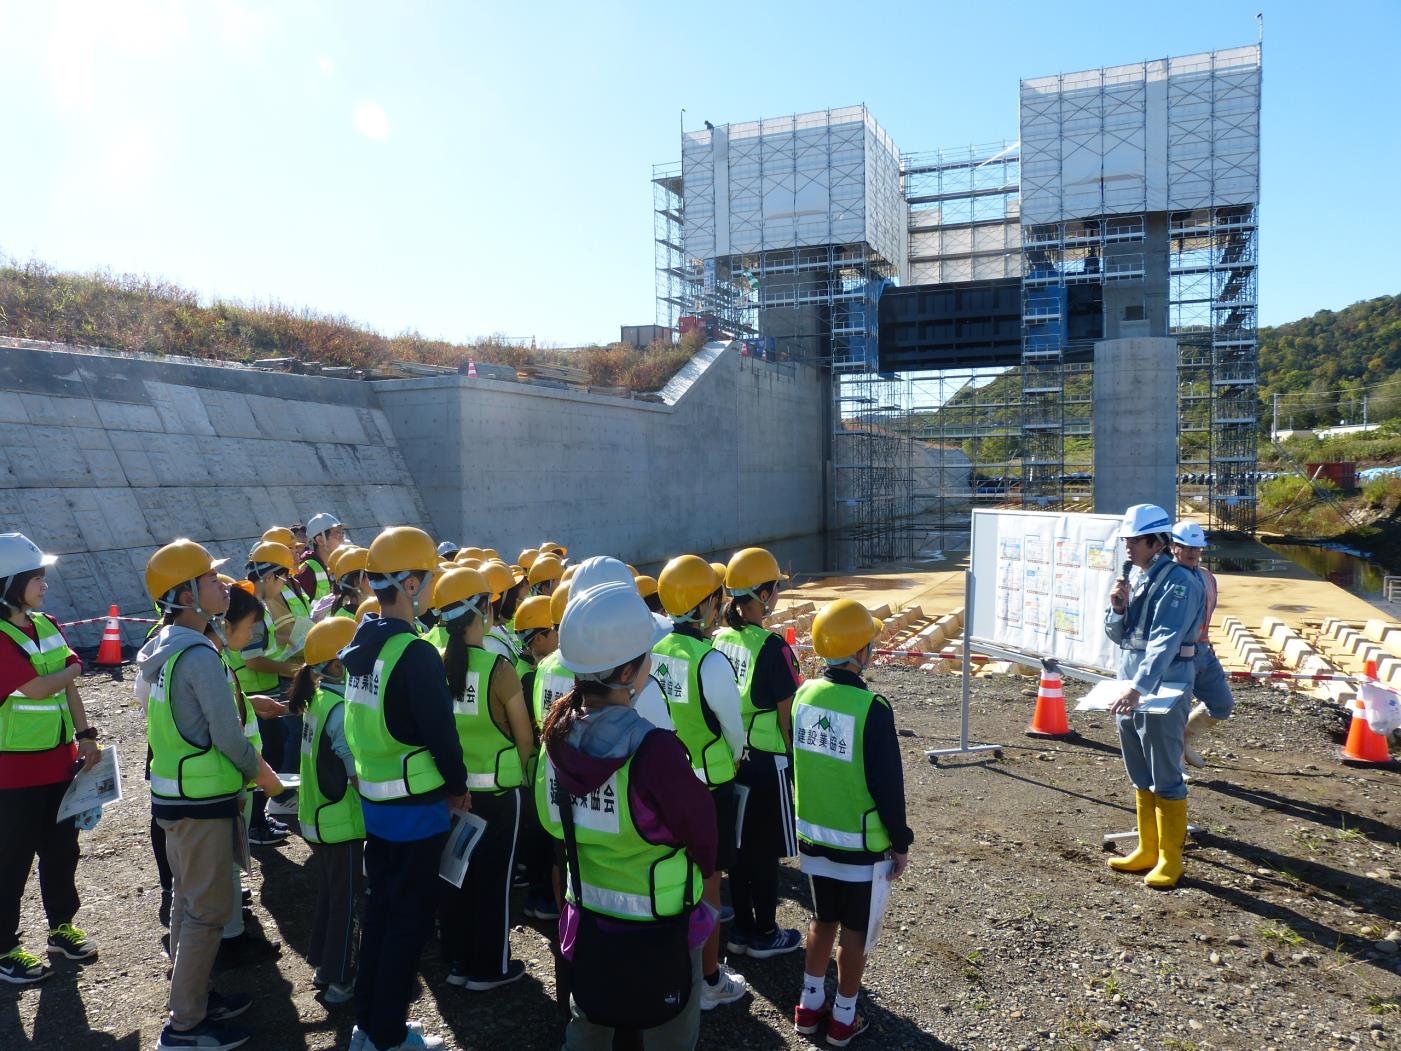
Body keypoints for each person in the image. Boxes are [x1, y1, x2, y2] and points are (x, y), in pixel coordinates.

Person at [537, 580, 716, 1051]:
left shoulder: (555, 739)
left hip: (590, 923)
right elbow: (703, 836)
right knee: (669, 1034)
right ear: (627, 671)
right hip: (662, 927)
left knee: (589, 1030)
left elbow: (551, 821)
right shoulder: (654, 751)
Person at [140, 539, 286, 1051]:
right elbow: (227, 737)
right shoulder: (198, 653)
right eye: (208, 579)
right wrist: (265, 776)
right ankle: (185, 1025)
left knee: (187, 905)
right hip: (201, 803)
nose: (221, 584)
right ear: (186, 595)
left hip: (177, 798)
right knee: (205, 913)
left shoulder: (166, 647)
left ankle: (196, 998)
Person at [343, 526, 469, 1051]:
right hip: (416, 809)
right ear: (411, 584)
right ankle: (389, 1035)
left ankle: (368, 1025)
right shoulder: (414, 653)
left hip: (376, 805)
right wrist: (458, 785)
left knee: (380, 916)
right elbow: (441, 733)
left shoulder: (362, 644)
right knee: (408, 924)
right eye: (430, 576)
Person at [792, 598, 913, 1047]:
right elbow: (887, 785)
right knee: (855, 933)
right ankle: (843, 1017)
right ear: (860, 651)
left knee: (822, 921)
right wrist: (900, 841)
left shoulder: (804, 693)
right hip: (861, 846)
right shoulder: (872, 707)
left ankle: (808, 1007)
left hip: (814, 837)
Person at [0, 533, 100, 985]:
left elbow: (68, 688)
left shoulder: (47, 624)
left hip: (60, 765)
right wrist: (75, 666)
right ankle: (4, 948)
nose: (44, 584)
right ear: (9, 584)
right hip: (13, 775)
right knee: (11, 861)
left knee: (62, 852)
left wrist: (86, 736)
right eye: (36, 577)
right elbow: (40, 688)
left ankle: (61, 928)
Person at [430, 566, 534, 991]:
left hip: (453, 793)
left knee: (457, 877)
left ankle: (459, 963)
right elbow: (524, 735)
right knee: (494, 882)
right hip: (498, 794)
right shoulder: (498, 667)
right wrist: (521, 773)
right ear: (482, 611)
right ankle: (490, 968)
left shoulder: (436, 664)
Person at [653, 555, 748, 1011]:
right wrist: (735, 757)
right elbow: (733, 728)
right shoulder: (709, 660)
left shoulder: (654, 651)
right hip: (708, 785)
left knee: (674, 874)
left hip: (664, 782)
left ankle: (676, 969)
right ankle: (709, 979)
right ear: (706, 604)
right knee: (710, 880)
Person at [1104, 504, 1206, 890]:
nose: (1128, 547)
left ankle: (1170, 859)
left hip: (1164, 685)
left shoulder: (1178, 582)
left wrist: (1138, 688)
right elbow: (1120, 635)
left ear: (1157, 542)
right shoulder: (1137, 576)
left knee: (1165, 773)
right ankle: (1147, 848)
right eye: (1127, 540)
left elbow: (1165, 641)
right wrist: (1117, 608)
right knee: (1138, 769)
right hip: (1130, 683)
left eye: (1135, 540)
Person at [712, 548, 804, 960]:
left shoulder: (720, 639)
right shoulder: (771, 647)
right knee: (765, 853)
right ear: (763, 595)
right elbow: (787, 717)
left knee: (739, 847)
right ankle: (765, 933)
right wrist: (795, 764)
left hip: (732, 757)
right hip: (768, 761)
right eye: (775, 588)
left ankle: (742, 929)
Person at [206, 583, 284, 971]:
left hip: (228, 781)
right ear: (225, 624)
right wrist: (264, 775)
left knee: (229, 864)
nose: (253, 634)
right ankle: (231, 941)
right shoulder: (208, 663)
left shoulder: (212, 658)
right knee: (225, 866)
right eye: (250, 626)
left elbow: (219, 710)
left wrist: (249, 703)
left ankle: (232, 932)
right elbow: (223, 731)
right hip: (225, 781)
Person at [289, 616, 364, 1006]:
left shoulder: (319, 700)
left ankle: (323, 964)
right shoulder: (339, 709)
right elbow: (355, 774)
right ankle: (342, 979)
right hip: (341, 823)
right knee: (349, 901)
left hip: (319, 819)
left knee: (332, 895)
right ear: (337, 665)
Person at [229, 541, 302, 846]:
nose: (284, 585)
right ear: (270, 576)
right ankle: (255, 824)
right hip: (255, 693)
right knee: (264, 757)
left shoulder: (253, 604)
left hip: (257, 691)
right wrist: (294, 670)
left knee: (268, 754)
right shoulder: (254, 610)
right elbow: (253, 659)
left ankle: (258, 818)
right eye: (283, 578)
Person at [1169, 521, 1235, 770]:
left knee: (1222, 704)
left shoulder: (1207, 577)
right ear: (1173, 546)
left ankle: (1185, 739)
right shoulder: (1166, 577)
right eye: (1186, 547)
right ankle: (1174, 762)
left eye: (1196, 548)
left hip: (1203, 651)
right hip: (1176, 656)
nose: (1192, 552)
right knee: (1175, 710)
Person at [480, 560, 525, 664]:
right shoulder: (491, 644)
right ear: (500, 601)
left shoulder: (497, 629)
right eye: (513, 597)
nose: (516, 601)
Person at [297, 514, 346, 604]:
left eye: (343, 534)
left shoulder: (341, 565)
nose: (343, 540)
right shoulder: (307, 571)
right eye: (338, 534)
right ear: (320, 540)